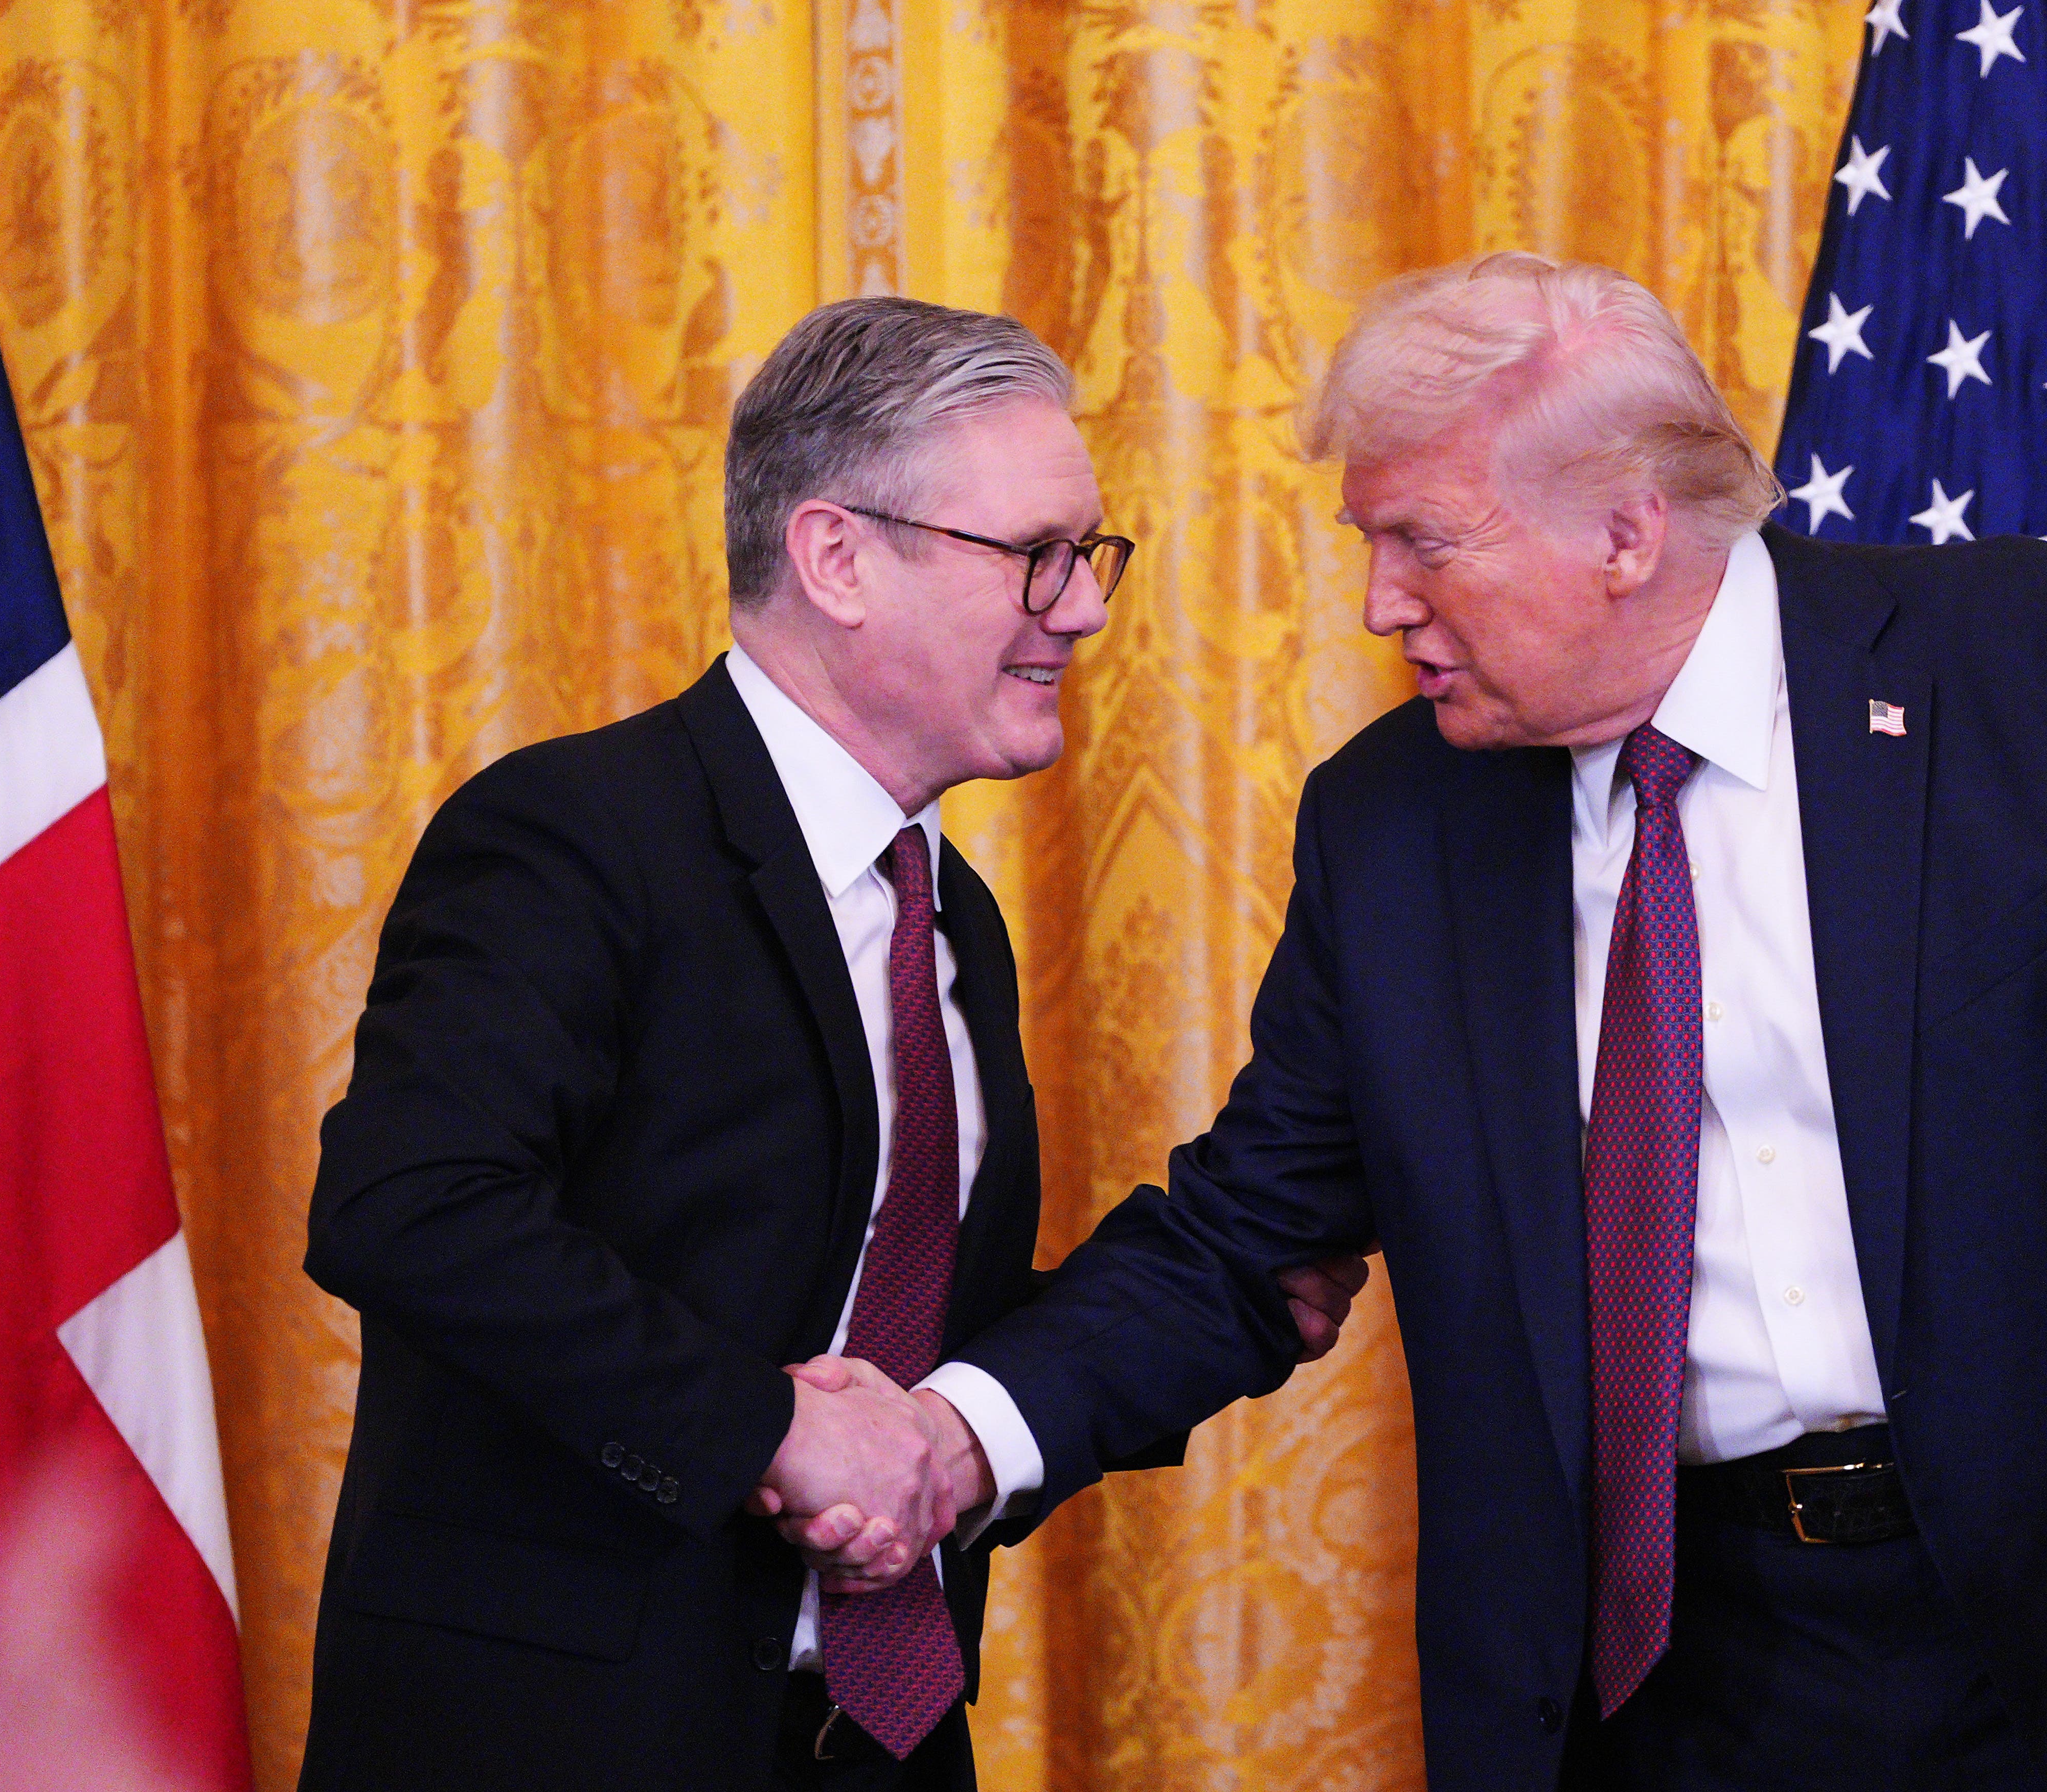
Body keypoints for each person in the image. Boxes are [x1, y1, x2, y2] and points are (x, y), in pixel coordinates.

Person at [941, 255, 2047, 1791]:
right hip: (1680, 1684)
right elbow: (1241, 1242)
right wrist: (961, 1435)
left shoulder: (2037, 660)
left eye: (1422, 542)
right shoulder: (1394, 823)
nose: (1375, 604)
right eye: (1368, 541)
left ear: (1624, 531)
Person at [297, 297, 1358, 1792]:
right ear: (836, 557)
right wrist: (768, 1432)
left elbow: (879, 1331)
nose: (1084, 608)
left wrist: (1222, 1297)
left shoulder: (948, 912)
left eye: (1091, 555)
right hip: (560, 1739)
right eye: (1035, 556)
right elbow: (410, 1208)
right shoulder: (577, 834)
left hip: (871, 1738)